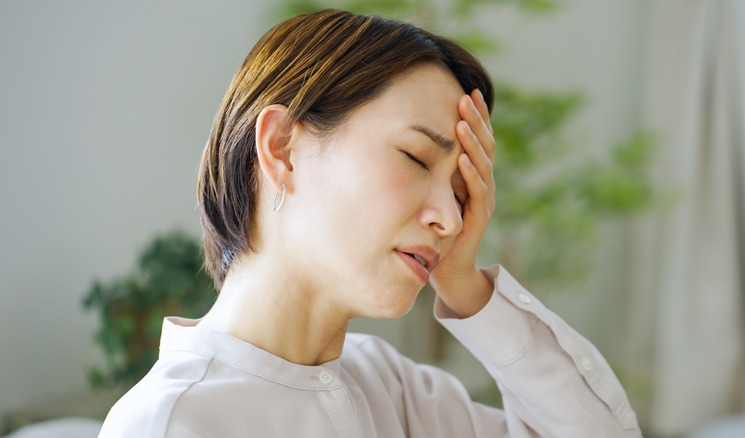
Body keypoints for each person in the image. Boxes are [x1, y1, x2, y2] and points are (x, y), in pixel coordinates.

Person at [99, 9, 641, 437]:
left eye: (460, 191)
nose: (452, 220)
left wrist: (467, 287)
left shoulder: (391, 387)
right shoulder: (170, 424)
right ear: (282, 148)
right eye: (416, 158)